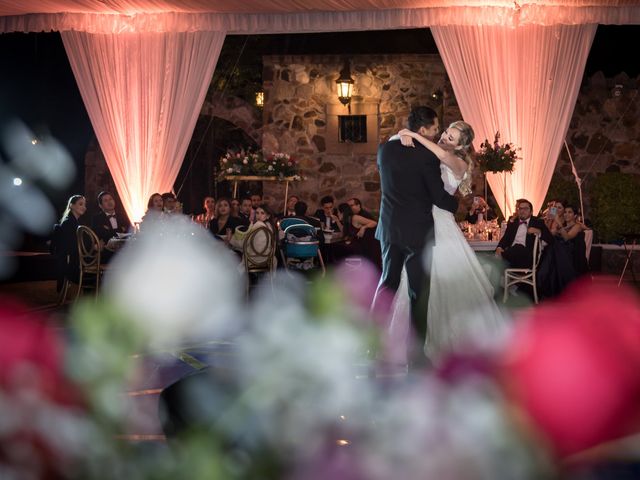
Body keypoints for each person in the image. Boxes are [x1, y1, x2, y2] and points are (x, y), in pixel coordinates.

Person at [389, 119, 507, 361]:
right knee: (412, 277)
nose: (444, 138)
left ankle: (452, 341)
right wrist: (402, 135)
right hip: (419, 219)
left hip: (440, 224)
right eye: (445, 132)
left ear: (461, 146)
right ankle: (412, 336)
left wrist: (413, 133)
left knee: (442, 278)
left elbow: (442, 155)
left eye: (451, 138)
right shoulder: (431, 152)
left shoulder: (459, 163)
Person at [370, 106, 459, 361]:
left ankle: (371, 342)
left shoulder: (384, 149)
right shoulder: (425, 157)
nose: (436, 132)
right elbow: (439, 198)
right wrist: (459, 205)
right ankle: (417, 349)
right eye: (434, 128)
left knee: (387, 283)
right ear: (422, 130)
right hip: (417, 232)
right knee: (418, 292)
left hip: (388, 227)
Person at [495, 199, 554, 269]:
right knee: (501, 255)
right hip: (512, 255)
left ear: (531, 211)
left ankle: (502, 256)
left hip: (528, 257)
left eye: (526, 209)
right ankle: (502, 258)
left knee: (518, 247)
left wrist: (538, 231)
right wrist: (499, 247)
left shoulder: (537, 222)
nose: (522, 211)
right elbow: (505, 238)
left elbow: (550, 239)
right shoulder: (513, 223)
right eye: (520, 208)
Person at [337, 202, 381, 269]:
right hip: (362, 244)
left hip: (370, 244)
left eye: (338, 212)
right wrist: (337, 220)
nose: (337, 214)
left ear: (342, 213)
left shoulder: (355, 218)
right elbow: (344, 232)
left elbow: (374, 223)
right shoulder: (347, 221)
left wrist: (363, 228)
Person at [55, 195, 86, 284]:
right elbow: (73, 246)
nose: (84, 207)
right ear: (71, 206)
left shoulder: (73, 221)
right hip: (71, 262)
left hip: (74, 258)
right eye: (81, 204)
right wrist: (94, 247)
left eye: (84, 205)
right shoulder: (68, 222)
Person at [91, 191, 131, 262]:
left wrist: (109, 231)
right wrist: (120, 229)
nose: (109, 202)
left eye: (110, 199)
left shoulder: (124, 215)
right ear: (100, 205)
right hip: (107, 253)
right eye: (105, 200)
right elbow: (103, 235)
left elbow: (129, 231)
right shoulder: (97, 218)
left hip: (124, 251)